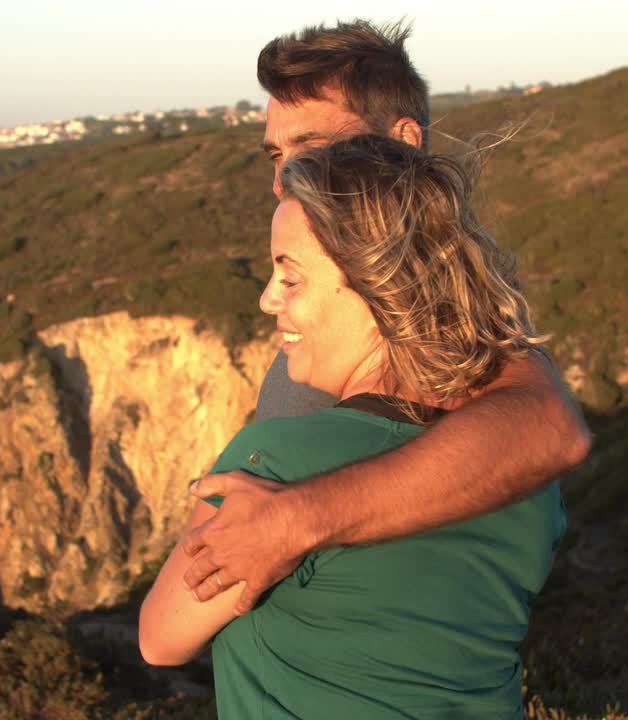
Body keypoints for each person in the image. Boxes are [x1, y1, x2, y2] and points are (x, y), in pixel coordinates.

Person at [140, 134, 565, 718]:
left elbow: (160, 638)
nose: (268, 300)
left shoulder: (273, 469)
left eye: (290, 279)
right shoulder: (524, 480)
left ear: (375, 287)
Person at [179, 20, 589, 614]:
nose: (282, 180)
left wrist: (295, 520)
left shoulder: (442, 319)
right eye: (277, 153)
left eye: (311, 146)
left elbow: (551, 428)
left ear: (404, 140)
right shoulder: (328, 300)